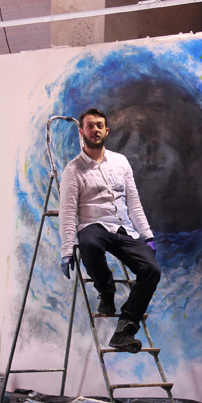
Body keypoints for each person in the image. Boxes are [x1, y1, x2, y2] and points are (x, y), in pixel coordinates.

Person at [59, 108, 160, 353]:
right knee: (90, 244)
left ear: (106, 130)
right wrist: (66, 249)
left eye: (99, 125)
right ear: (81, 132)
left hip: (123, 228)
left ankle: (125, 329)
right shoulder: (73, 170)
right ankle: (106, 290)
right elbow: (68, 211)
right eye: (89, 126)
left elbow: (134, 202)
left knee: (151, 270)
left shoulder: (120, 162)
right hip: (93, 225)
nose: (95, 129)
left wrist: (147, 234)